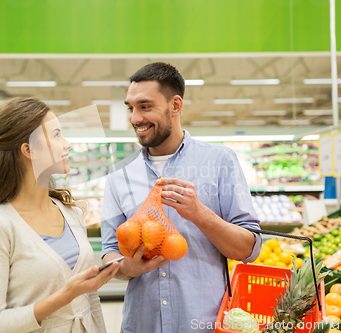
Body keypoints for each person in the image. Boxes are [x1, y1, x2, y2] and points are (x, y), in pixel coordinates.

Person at [101, 62, 262, 333]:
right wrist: (128, 267)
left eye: (145, 106)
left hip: (205, 325)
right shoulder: (120, 175)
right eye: (130, 108)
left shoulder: (219, 161)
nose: (134, 118)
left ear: (175, 105)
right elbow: (109, 255)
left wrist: (200, 214)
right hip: (142, 326)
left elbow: (249, 249)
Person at [0, 97, 119, 333]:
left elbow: (90, 300)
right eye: (57, 135)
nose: (67, 144)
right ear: (28, 150)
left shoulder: (70, 213)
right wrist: (65, 296)